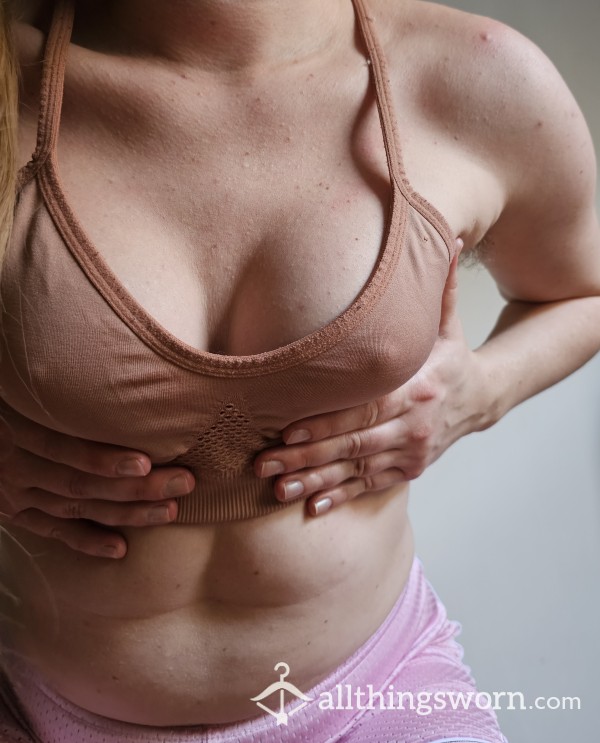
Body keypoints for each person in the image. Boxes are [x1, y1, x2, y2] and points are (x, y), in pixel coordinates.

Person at [0, 1, 598, 742]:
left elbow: (583, 289)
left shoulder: (474, 74)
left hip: (382, 694)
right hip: (29, 701)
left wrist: (480, 393)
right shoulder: (9, 82)